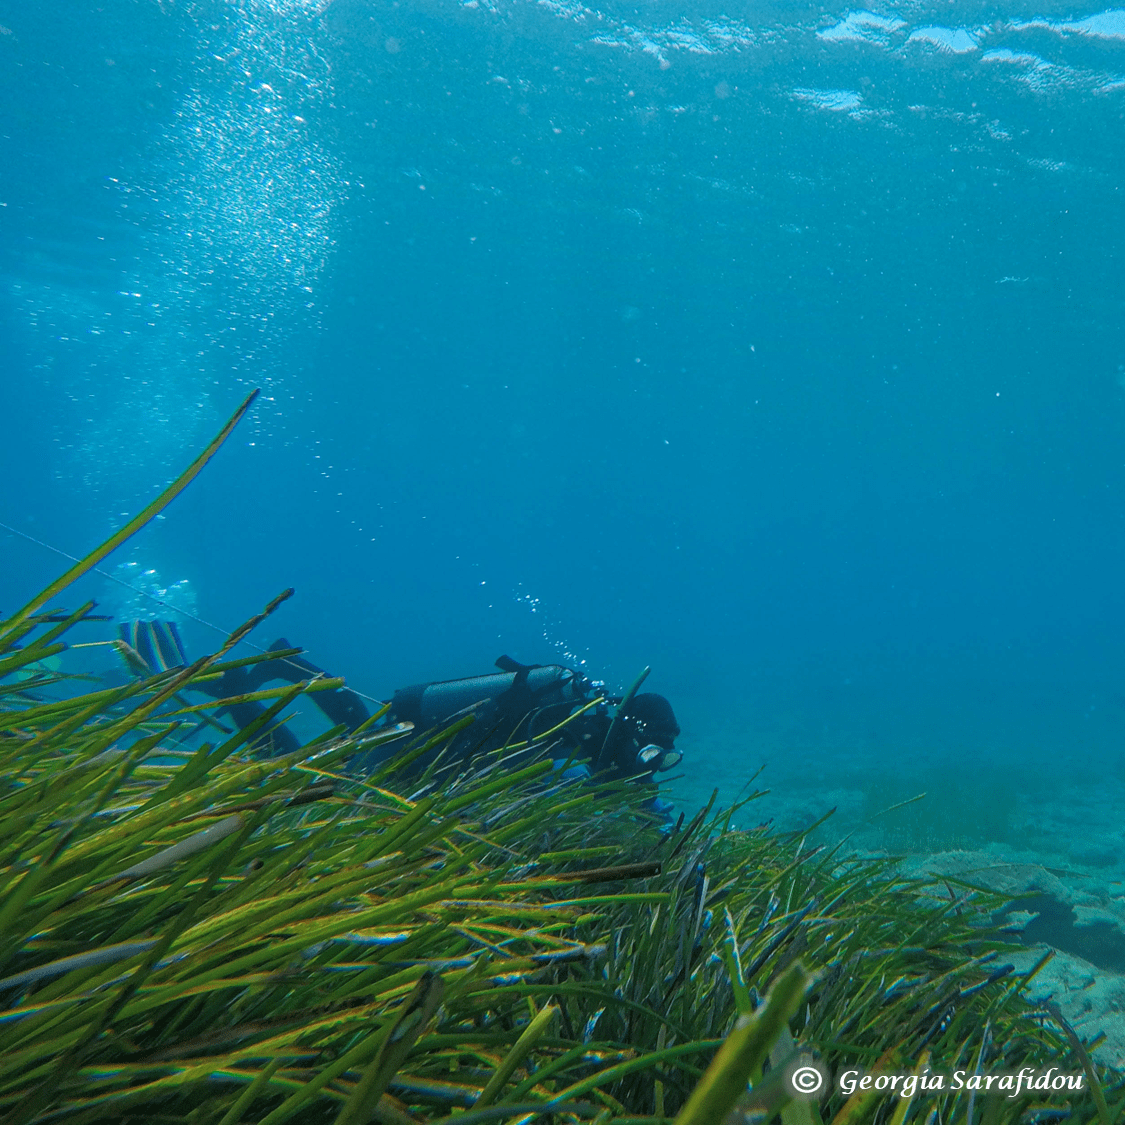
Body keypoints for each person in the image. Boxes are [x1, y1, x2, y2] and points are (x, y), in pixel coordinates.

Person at [119, 622, 682, 808]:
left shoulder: (595, 734)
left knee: (350, 727)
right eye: (653, 754)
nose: (651, 767)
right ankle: (244, 687)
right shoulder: (572, 722)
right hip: (425, 747)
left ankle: (285, 666)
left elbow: (633, 796)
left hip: (430, 743)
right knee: (312, 777)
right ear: (632, 732)